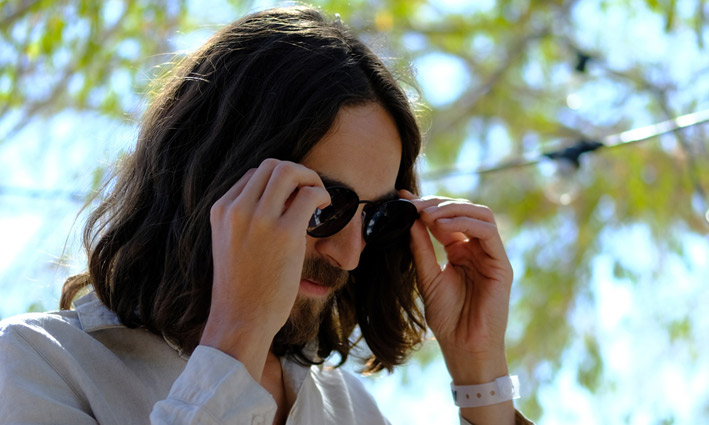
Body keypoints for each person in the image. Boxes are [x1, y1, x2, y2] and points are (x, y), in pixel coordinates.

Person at [0, 6, 533, 425]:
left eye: (377, 217)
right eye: (323, 205)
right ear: (214, 175)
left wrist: (480, 374)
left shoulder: (349, 408)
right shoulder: (36, 364)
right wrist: (238, 336)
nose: (349, 254)